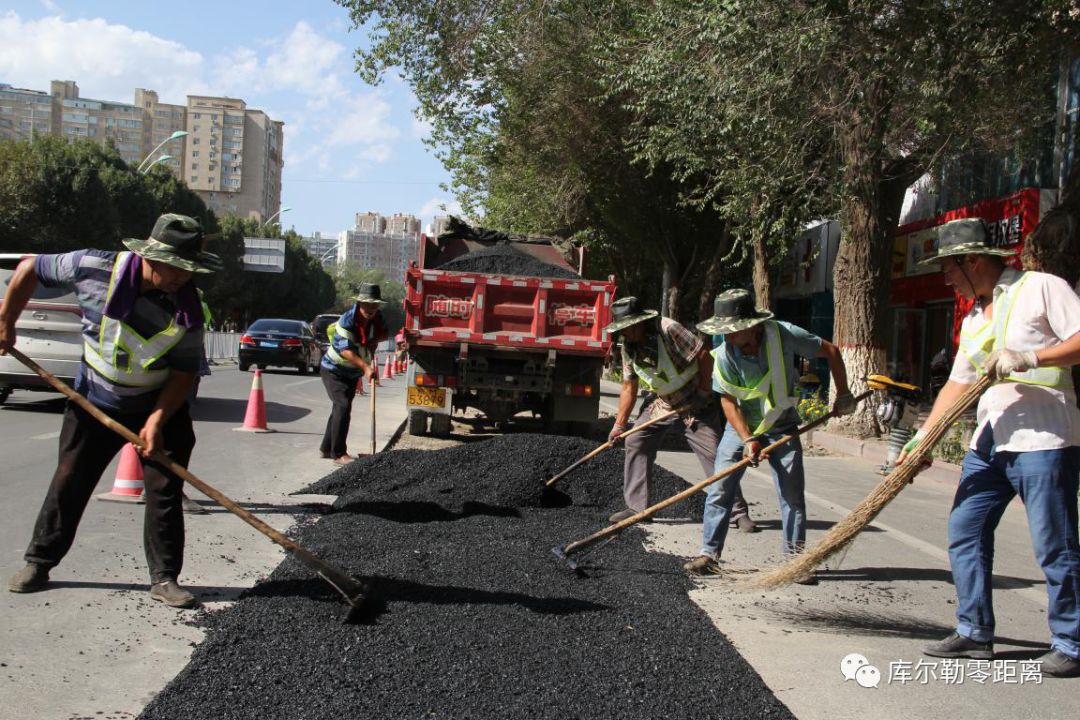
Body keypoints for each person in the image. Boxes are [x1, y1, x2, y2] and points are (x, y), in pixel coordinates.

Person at [1, 213, 221, 609]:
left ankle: (165, 578)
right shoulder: (91, 267)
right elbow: (29, 266)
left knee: (165, 492)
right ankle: (39, 561)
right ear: (149, 256)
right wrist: (6, 320)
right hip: (95, 403)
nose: (181, 278)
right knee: (69, 482)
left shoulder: (188, 308)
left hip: (158, 407)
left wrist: (156, 421)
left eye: (189, 270)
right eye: (175, 268)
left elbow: (184, 372)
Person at [896, 218, 1080, 678]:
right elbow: (958, 384)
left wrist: (1031, 357)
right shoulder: (975, 316)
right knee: (965, 529)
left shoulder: (1042, 287)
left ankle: (1071, 642)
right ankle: (975, 630)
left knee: (1054, 544)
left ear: (973, 260)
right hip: (990, 441)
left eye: (949, 269)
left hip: (1042, 440)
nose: (945, 279)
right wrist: (923, 438)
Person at [688, 288, 854, 579]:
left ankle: (795, 562)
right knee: (719, 488)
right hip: (741, 429)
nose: (726, 336)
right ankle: (708, 554)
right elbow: (727, 400)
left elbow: (831, 351)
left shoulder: (784, 335)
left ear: (750, 326)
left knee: (792, 495)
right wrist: (748, 439)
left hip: (782, 426)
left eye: (731, 330)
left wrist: (843, 394)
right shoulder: (724, 354)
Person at [604, 296, 755, 529]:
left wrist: (704, 393)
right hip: (662, 403)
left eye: (631, 326)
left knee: (714, 454)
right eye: (623, 327)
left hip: (693, 400)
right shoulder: (629, 347)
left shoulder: (668, 329)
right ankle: (637, 508)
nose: (628, 331)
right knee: (635, 440)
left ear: (641, 321)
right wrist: (619, 425)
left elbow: (704, 356)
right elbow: (628, 386)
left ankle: (737, 512)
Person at [320, 282, 388, 465]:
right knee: (342, 405)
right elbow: (346, 351)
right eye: (366, 304)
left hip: (351, 373)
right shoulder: (348, 320)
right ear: (359, 303)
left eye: (374, 304)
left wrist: (372, 347)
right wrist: (366, 368)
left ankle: (326, 448)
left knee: (340, 406)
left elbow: (382, 335)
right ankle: (339, 454)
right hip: (333, 369)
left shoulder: (377, 319)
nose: (370, 308)